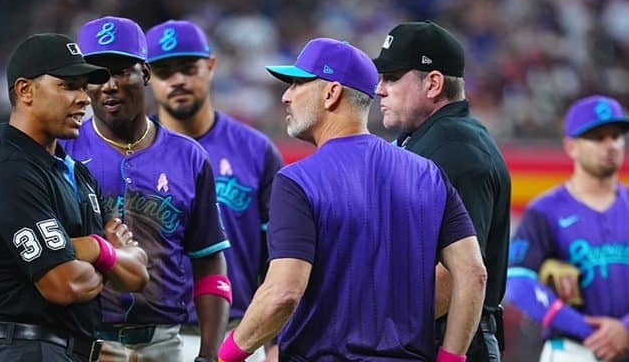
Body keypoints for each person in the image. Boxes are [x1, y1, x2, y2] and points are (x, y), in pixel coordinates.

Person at [217, 38, 487, 362]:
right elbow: (473, 273)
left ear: (331, 93)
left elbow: (283, 294)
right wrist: (451, 358)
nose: (286, 96)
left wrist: (226, 355)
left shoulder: (298, 181)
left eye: (298, 83)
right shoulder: (428, 174)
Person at [0, 33, 149, 362]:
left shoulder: (78, 173)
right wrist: (106, 253)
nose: (84, 99)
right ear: (25, 90)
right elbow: (64, 284)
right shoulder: (9, 170)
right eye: (68, 86)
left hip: (71, 351)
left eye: (83, 87)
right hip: (23, 350)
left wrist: (96, 250)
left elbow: (138, 274)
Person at [61, 16, 230, 362]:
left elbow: (209, 259)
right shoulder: (63, 151)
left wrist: (210, 353)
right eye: (97, 74)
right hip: (86, 340)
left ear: (146, 73)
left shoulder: (189, 157)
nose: (109, 85)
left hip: (163, 343)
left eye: (122, 71)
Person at [144, 19, 283, 362]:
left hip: (239, 335)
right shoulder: (135, 151)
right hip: (154, 338)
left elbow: (278, 255)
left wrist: (277, 340)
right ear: (147, 77)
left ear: (211, 66)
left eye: (188, 68)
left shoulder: (255, 149)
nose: (178, 80)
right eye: (164, 71)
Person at [372, 20, 512, 361]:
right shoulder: (425, 140)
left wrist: (368, 325)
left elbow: (457, 273)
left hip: (450, 341)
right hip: (423, 337)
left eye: (392, 78)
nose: (379, 89)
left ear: (433, 84)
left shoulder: (456, 149)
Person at [507, 95, 629, 362]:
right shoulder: (546, 210)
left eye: (616, 136)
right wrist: (592, 332)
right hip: (574, 349)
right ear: (571, 147)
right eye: (598, 137)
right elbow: (518, 282)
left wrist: (625, 329)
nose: (611, 145)